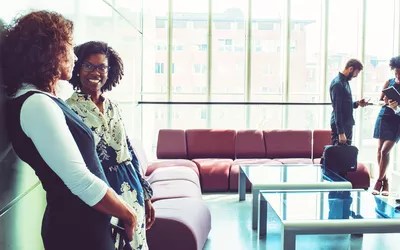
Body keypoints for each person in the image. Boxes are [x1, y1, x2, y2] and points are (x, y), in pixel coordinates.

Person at [0, 11, 138, 250]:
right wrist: (127, 213)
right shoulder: (36, 104)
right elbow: (81, 182)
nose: (73, 55)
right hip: (77, 232)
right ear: (48, 52)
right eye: (69, 46)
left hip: (84, 226)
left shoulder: (40, 100)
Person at [66, 41, 155, 250]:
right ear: (78, 69)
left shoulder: (114, 106)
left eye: (102, 67)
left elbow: (128, 151)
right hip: (101, 190)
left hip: (131, 186)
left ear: (109, 71)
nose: (95, 72)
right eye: (89, 66)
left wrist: (146, 195)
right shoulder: (69, 110)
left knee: (137, 244)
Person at [372, 56, 400, 196]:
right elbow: (380, 100)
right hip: (384, 117)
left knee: (384, 151)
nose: (397, 74)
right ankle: (386, 181)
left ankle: (379, 180)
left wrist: (397, 107)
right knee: (379, 150)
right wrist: (385, 101)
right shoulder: (389, 82)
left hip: (397, 121)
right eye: (396, 71)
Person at [330, 59, 369, 146]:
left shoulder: (344, 82)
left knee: (346, 155)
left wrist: (357, 103)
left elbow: (345, 104)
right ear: (351, 69)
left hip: (346, 124)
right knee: (339, 155)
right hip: (341, 126)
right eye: (357, 73)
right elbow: (337, 109)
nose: (356, 76)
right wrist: (341, 132)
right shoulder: (338, 84)